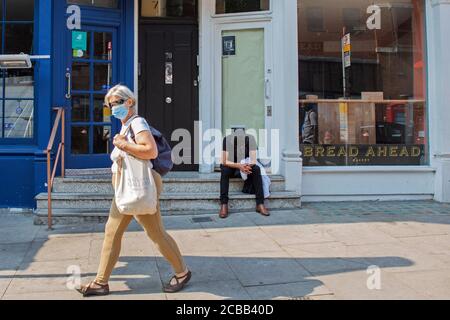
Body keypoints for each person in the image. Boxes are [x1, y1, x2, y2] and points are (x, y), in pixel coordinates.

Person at [77, 85, 191, 297]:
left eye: (117, 103)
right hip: (126, 188)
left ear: (129, 102)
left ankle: (182, 272)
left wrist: (122, 144)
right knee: (112, 232)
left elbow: (150, 150)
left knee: (155, 232)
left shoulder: (137, 122)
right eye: (110, 105)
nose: (113, 107)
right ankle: (101, 282)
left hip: (138, 186)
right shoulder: (126, 125)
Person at [219, 128, 270, 219]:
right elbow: (224, 161)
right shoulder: (227, 140)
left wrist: (246, 166)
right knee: (224, 170)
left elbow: (253, 160)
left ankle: (260, 204)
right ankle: (224, 204)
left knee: (257, 169)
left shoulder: (251, 139)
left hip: (246, 165)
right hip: (232, 166)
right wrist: (239, 166)